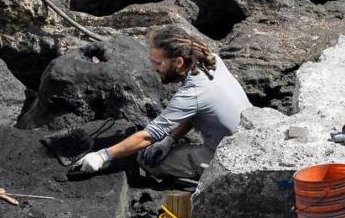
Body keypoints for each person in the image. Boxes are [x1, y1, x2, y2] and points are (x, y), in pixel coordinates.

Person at [71, 26, 251, 180]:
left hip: (233, 159)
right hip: (254, 138)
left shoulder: (192, 92)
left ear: (179, 62)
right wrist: (170, 139)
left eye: (158, 63)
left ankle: (209, 181)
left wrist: (103, 156)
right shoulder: (210, 61)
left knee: (147, 160)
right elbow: (194, 110)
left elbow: (148, 136)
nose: (153, 68)